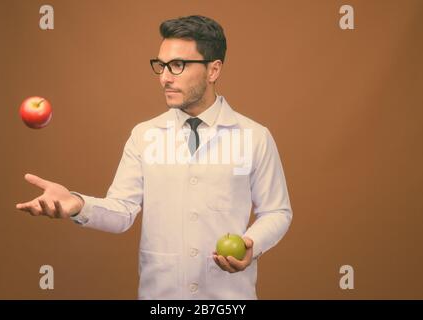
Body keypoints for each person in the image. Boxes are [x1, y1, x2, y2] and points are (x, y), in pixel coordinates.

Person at [16, 15, 293, 300]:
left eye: (178, 65)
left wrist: (252, 242)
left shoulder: (254, 136)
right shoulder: (144, 134)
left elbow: (277, 212)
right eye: (161, 66)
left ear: (213, 70)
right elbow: (122, 210)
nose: (164, 78)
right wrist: (78, 205)